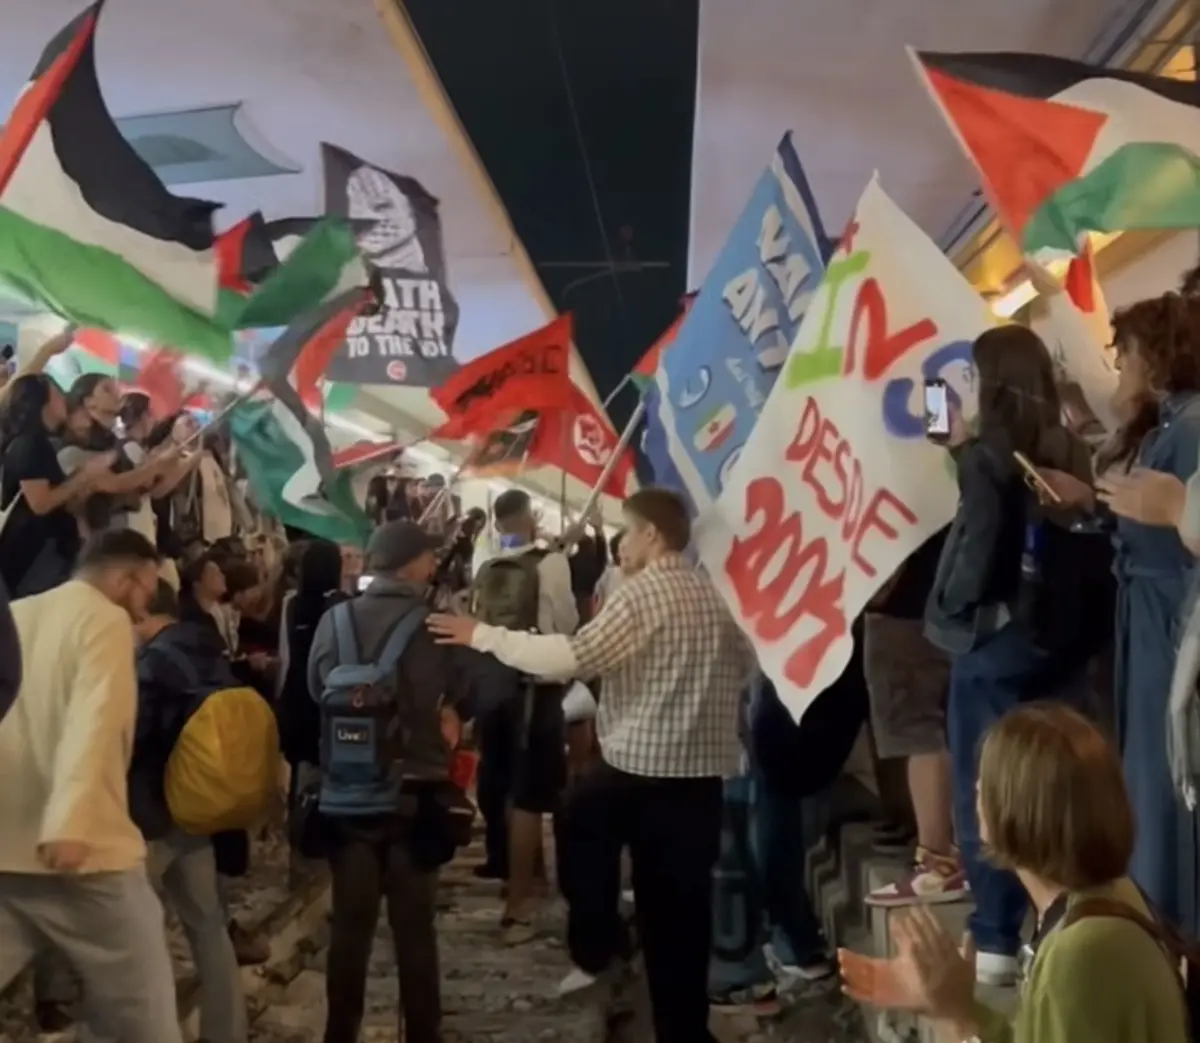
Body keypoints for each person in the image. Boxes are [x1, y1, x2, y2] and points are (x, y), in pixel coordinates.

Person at [430, 487, 756, 1043]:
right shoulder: (717, 597)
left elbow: (569, 658)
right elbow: (744, 669)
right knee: (680, 916)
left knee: (580, 822)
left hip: (641, 770)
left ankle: (598, 942)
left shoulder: (643, 594)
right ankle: (684, 1029)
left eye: (628, 533)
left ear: (652, 535)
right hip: (700, 783)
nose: (621, 544)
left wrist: (482, 635)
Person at [840, 704, 1189, 1043]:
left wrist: (960, 1018)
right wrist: (952, 1008)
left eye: (985, 783)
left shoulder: (1081, 953)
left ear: (1018, 808)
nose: (976, 792)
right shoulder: (1104, 899)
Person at [923, 324, 1096, 985]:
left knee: (987, 782)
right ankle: (1066, 912)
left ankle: (994, 935)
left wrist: (954, 609)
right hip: (1066, 641)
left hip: (997, 641)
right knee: (1059, 777)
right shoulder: (1072, 446)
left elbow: (977, 553)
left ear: (990, 381)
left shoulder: (987, 456)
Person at [1038, 292, 1200, 935]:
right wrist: (1094, 502)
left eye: (1126, 352)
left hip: (1170, 624)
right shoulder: (1165, 427)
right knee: (1148, 777)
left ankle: (1174, 927)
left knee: (1166, 782)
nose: (1120, 367)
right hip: (1151, 622)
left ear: (1157, 357)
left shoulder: (1188, 430)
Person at [307, 520, 499, 1043]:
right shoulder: (438, 624)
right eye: (429, 558)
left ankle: (339, 1033)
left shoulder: (335, 621)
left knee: (350, 928)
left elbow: (312, 687)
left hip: (347, 795)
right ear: (413, 564)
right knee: (414, 930)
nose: (434, 566)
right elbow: (490, 681)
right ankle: (422, 1034)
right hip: (417, 792)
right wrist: (457, 709)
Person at [0, 530, 183, 1043]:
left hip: (6, 844)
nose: (145, 609)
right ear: (125, 579)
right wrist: (70, 821)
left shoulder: (17, 613)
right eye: (147, 589)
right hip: (85, 856)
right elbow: (94, 720)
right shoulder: (102, 618)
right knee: (143, 1017)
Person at [130, 579, 248, 1043]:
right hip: (198, 810)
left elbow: (134, 740)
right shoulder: (208, 651)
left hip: (152, 816)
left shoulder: (153, 663)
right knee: (208, 927)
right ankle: (228, 1033)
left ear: (141, 612)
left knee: (135, 932)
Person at [470, 487, 578, 941]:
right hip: (537, 689)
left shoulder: (487, 563)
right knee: (532, 796)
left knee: (498, 780)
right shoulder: (552, 563)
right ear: (530, 517)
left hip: (493, 684)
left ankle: (517, 879)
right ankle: (520, 906)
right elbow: (566, 626)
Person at [864, 526, 964, 907]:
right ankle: (950, 855)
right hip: (950, 599)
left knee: (922, 734)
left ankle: (938, 862)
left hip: (907, 605)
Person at [0, 374, 115, 596]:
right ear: (43, 401)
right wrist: (85, 475)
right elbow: (40, 503)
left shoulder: (39, 442)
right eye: (58, 394)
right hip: (28, 552)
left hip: (39, 549)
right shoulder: (30, 443)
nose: (64, 399)